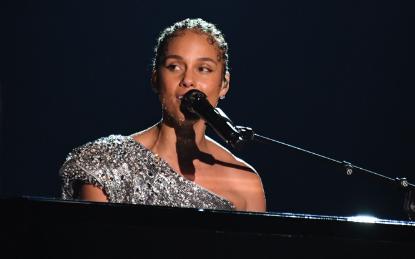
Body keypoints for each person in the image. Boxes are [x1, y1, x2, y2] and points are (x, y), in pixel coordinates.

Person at [59, 18, 266, 212]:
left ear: (224, 85)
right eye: (174, 67)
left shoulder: (246, 184)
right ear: (156, 79)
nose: (188, 80)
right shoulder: (104, 162)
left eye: (203, 69)